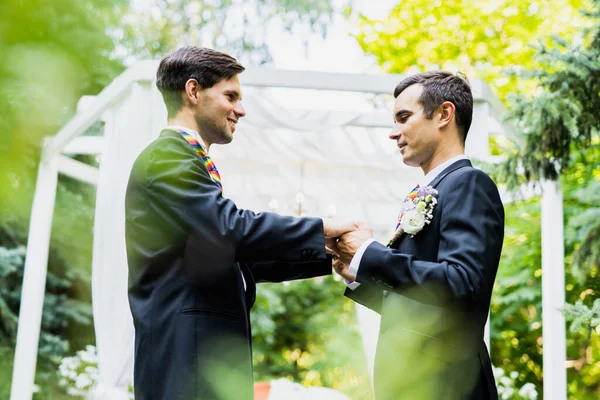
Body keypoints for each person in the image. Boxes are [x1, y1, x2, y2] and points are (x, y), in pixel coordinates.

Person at [124, 46, 354, 400]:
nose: (241, 110)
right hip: (186, 365)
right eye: (231, 96)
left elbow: (231, 257)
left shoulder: (185, 162)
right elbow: (229, 228)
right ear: (193, 91)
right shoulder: (167, 157)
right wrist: (323, 226)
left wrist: (329, 255)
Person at [333, 71, 505, 400]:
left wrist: (371, 253)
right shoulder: (434, 188)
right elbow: (420, 306)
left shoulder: (469, 184)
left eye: (403, 117)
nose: (393, 133)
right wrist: (358, 272)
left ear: (443, 114)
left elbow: (463, 283)